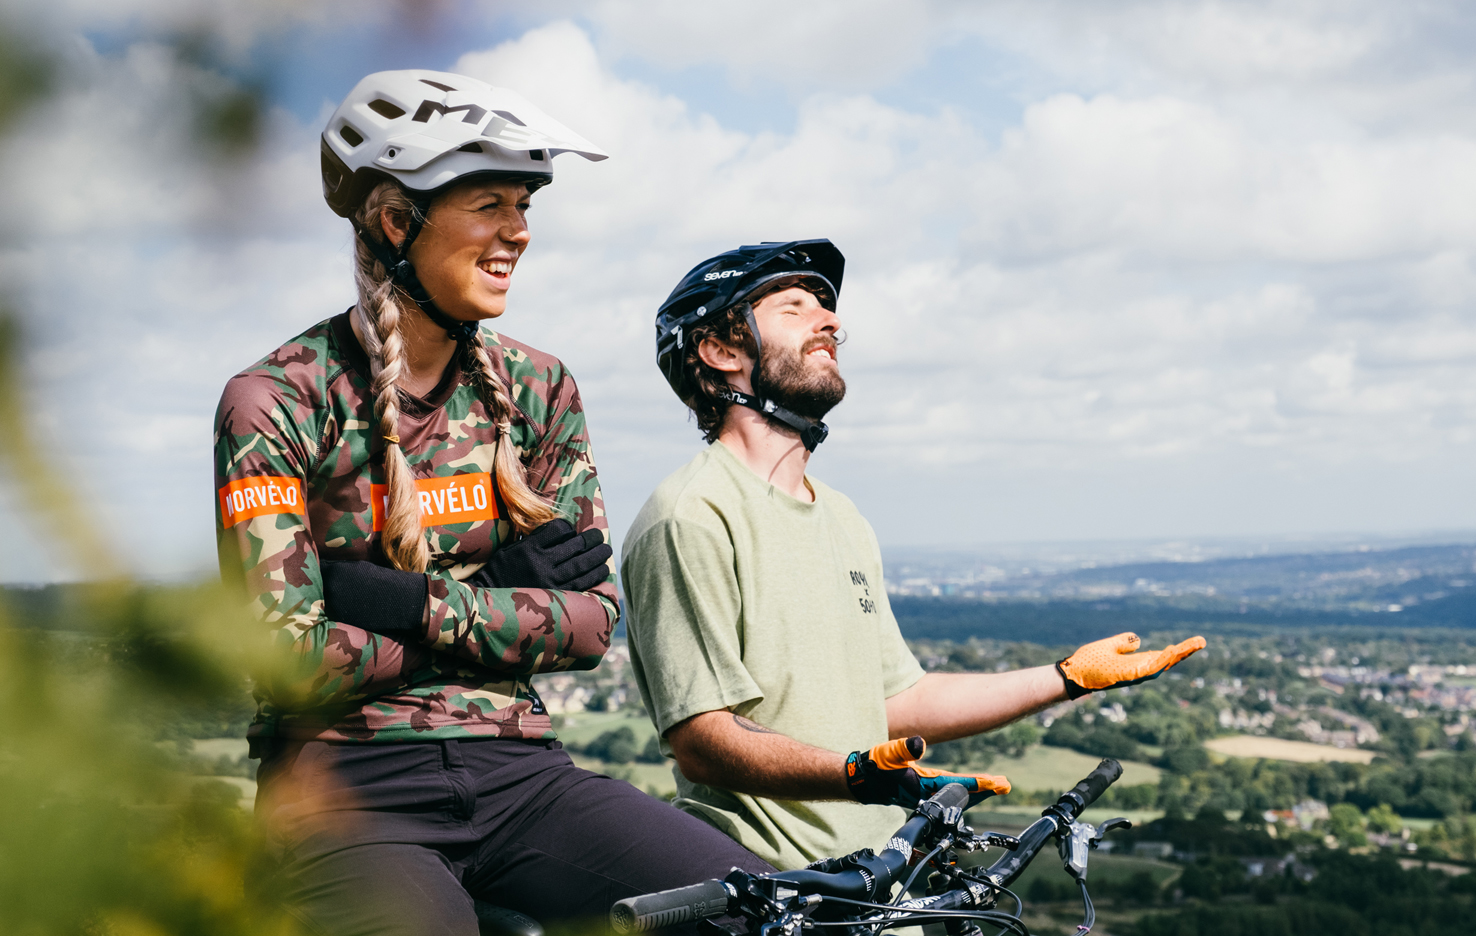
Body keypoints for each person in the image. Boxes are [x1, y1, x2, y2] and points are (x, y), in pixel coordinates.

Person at [215, 70, 770, 936]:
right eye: (489, 203)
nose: (518, 231)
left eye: (525, 204)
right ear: (396, 220)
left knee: (768, 910)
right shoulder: (277, 400)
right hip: (342, 789)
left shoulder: (541, 387)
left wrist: (392, 598)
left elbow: (590, 625)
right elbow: (290, 660)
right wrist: (502, 595)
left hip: (521, 772)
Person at [621, 240, 1206, 870]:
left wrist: (1065, 678)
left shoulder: (842, 517)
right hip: (772, 886)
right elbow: (702, 741)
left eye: (827, 309)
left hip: (882, 877)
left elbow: (895, 704)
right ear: (722, 351)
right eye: (794, 308)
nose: (832, 322)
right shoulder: (691, 515)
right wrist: (853, 775)